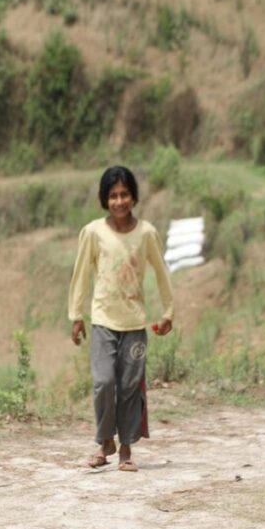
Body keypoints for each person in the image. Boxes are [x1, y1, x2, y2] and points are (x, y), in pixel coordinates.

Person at [68, 165, 174, 472]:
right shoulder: (93, 233)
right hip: (102, 321)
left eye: (124, 194)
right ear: (105, 199)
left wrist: (168, 312)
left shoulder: (147, 233)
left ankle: (125, 449)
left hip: (134, 325)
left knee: (129, 386)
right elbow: (81, 275)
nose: (119, 201)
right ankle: (104, 442)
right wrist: (76, 316)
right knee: (104, 382)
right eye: (113, 195)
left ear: (133, 197)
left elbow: (162, 272)